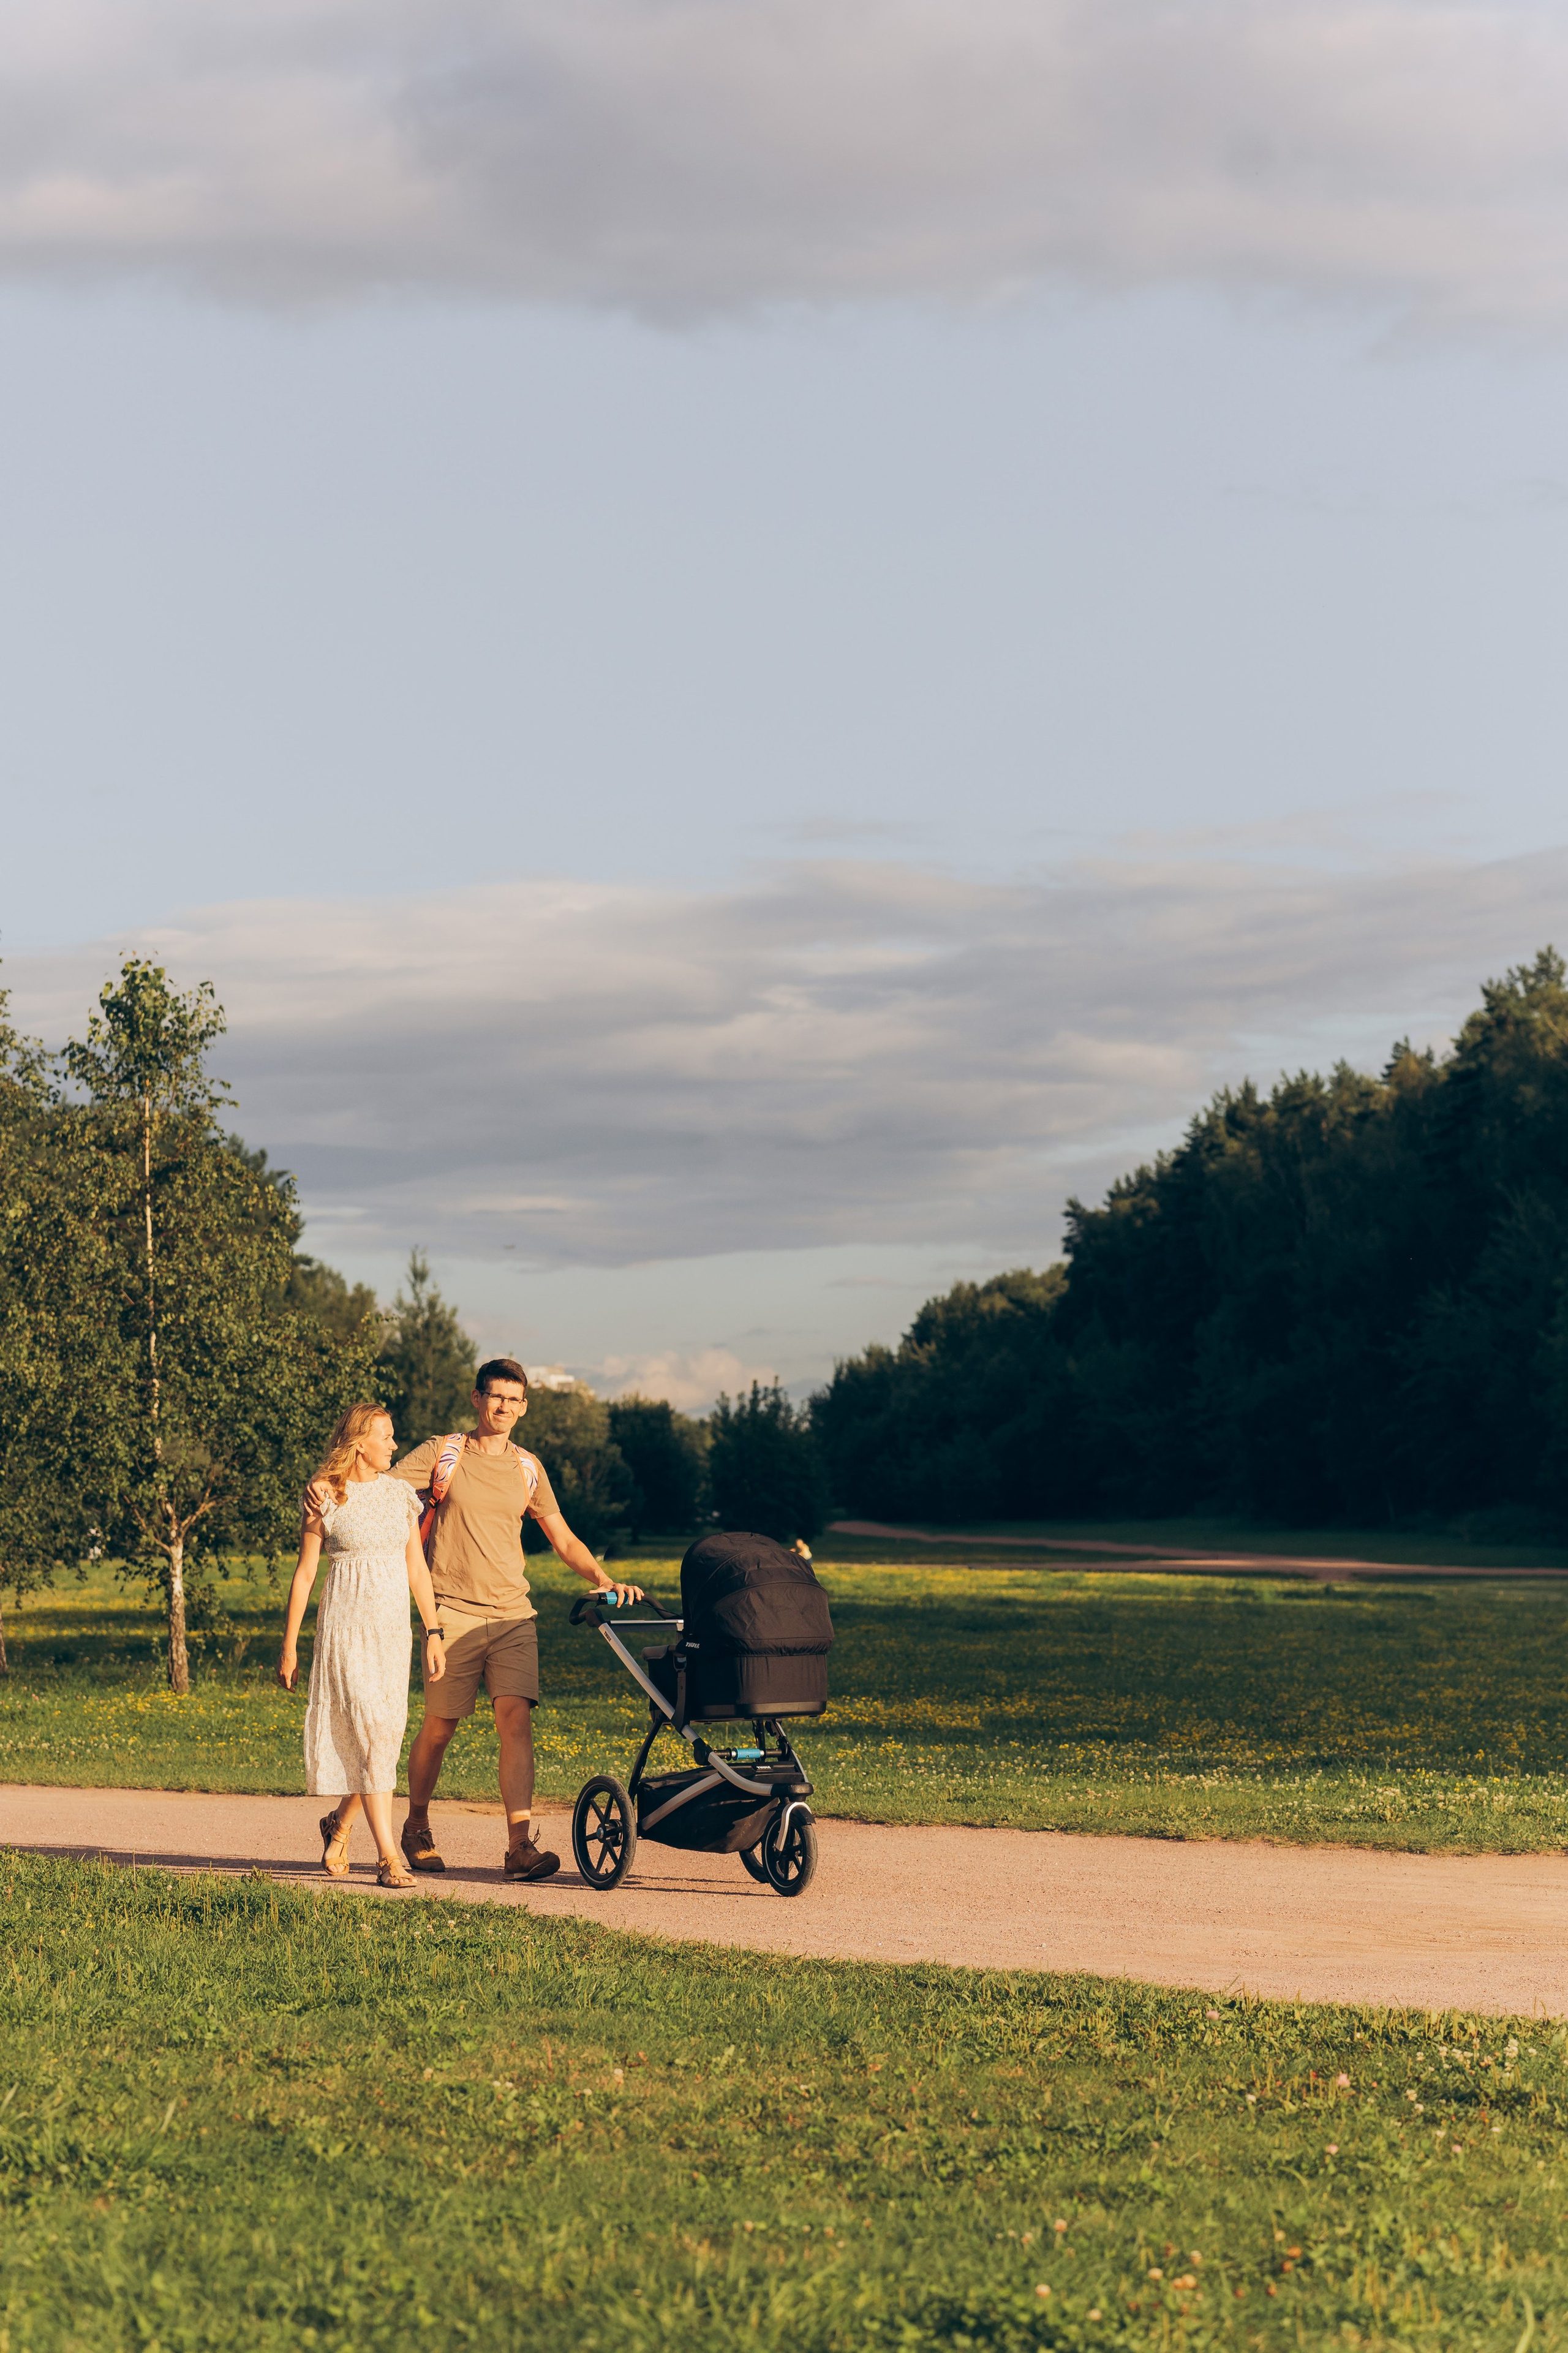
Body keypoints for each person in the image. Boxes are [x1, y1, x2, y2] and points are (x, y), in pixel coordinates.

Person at [309, 1356, 641, 1883]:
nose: (504, 1406)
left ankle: (518, 1847)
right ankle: (408, 1825)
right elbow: (370, 1487)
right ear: (476, 1398)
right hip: (451, 1611)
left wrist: (602, 1579)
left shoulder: (528, 1467)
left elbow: (563, 1537)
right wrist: (325, 1488)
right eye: (495, 1396)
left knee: (516, 1719)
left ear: (524, 1407)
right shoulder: (442, 1453)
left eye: (514, 1399)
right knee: (439, 1729)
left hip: (513, 1614)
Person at [279, 1400, 447, 1888]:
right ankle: (389, 1858)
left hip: (392, 1634)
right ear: (359, 1443)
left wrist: (433, 1633)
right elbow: (307, 1570)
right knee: (372, 1736)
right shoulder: (325, 1494)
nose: (395, 1444)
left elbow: (418, 1568)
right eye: (386, 1436)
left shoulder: (400, 1496)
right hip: (346, 1629)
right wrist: (289, 1645)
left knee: (381, 1742)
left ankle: (340, 1824)